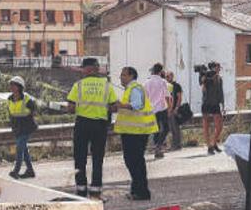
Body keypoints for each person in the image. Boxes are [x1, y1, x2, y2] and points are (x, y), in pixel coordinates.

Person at [67, 58, 118, 200]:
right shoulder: (107, 85)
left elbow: (70, 108)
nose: (82, 71)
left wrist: (81, 107)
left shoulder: (78, 85)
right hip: (99, 126)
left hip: (82, 124)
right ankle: (95, 192)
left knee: (79, 158)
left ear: (88, 69)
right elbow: (114, 106)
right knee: (97, 158)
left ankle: (81, 191)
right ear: (96, 68)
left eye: (83, 68)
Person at [115, 67, 158, 201]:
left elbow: (137, 105)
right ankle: (136, 190)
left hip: (136, 133)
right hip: (133, 132)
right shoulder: (131, 89)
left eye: (123, 75)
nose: (121, 77)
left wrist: (120, 105)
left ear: (131, 76)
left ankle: (142, 192)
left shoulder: (135, 88)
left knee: (135, 162)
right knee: (133, 162)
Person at [7, 76, 38, 179]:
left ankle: (16, 171)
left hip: (27, 127)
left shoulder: (27, 98)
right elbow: (10, 114)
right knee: (23, 149)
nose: (11, 87)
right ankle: (30, 171)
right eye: (10, 84)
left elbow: (33, 110)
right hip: (17, 128)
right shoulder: (9, 99)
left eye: (14, 85)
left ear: (19, 87)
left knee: (19, 148)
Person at [144, 63, 172, 159]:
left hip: (151, 109)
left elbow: (145, 97)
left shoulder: (147, 82)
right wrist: (169, 108)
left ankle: (157, 148)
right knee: (166, 128)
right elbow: (167, 96)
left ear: (152, 71)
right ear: (160, 71)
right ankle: (158, 146)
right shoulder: (163, 81)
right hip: (162, 108)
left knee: (156, 130)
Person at [200, 62, 225, 155]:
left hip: (215, 104)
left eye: (219, 68)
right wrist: (206, 78)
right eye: (217, 68)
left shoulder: (220, 79)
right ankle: (209, 147)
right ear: (213, 68)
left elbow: (221, 92)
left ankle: (213, 143)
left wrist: (223, 104)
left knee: (220, 125)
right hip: (206, 103)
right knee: (206, 126)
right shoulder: (206, 77)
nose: (218, 70)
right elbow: (203, 88)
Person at [166, 71, 183, 151]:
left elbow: (179, 97)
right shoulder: (166, 86)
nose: (167, 78)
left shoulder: (176, 86)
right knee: (171, 128)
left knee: (175, 127)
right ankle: (174, 144)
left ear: (172, 76)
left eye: (168, 76)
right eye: (166, 76)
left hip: (174, 109)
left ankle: (177, 144)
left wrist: (177, 108)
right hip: (168, 109)